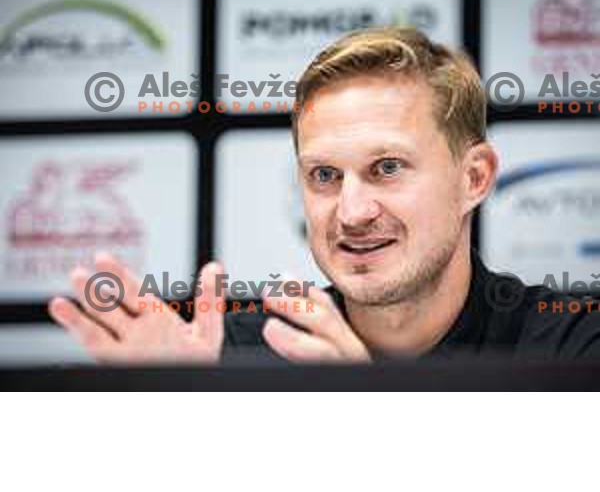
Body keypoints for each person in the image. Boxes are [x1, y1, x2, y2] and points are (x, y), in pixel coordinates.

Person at [48, 26, 600, 363]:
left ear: (474, 178)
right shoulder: (236, 355)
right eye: (325, 176)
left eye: (387, 167)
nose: (353, 212)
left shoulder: (572, 346)